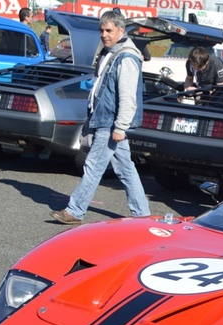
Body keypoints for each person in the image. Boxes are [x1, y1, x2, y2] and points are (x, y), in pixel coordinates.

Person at [50, 11, 150, 225]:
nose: (104, 35)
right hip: (104, 119)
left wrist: (120, 127)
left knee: (93, 165)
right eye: (101, 30)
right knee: (125, 169)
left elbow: (128, 98)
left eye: (109, 30)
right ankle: (143, 215)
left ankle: (75, 210)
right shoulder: (109, 53)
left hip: (111, 122)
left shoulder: (127, 58)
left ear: (121, 31)